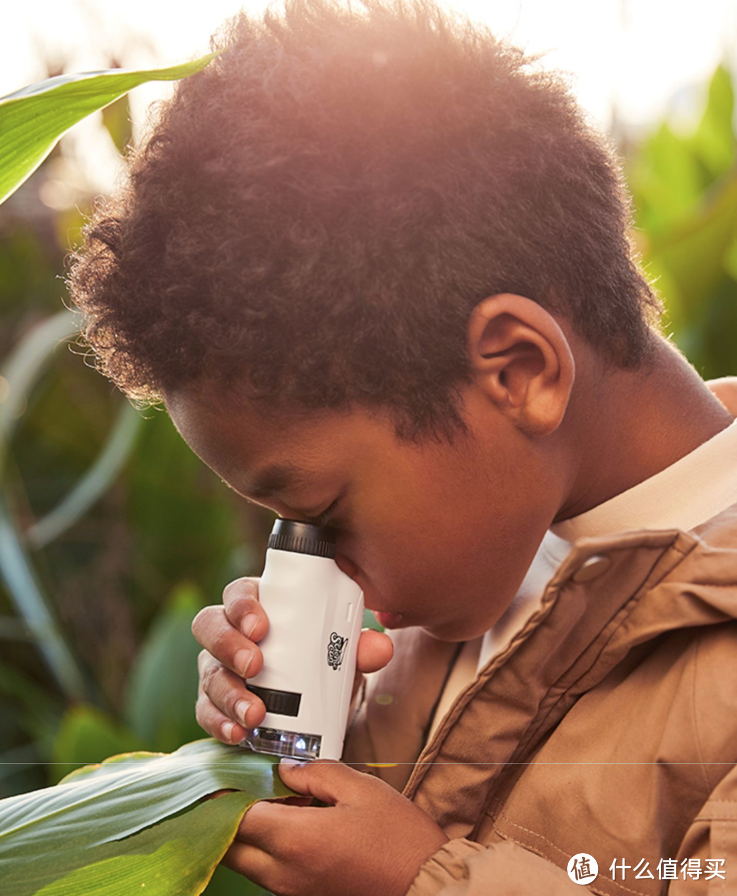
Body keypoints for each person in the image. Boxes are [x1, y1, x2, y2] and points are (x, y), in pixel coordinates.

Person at [65, 0, 737, 893]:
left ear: (518, 371)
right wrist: (317, 728)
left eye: (320, 515)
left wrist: (418, 881)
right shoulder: (481, 574)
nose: (311, 569)